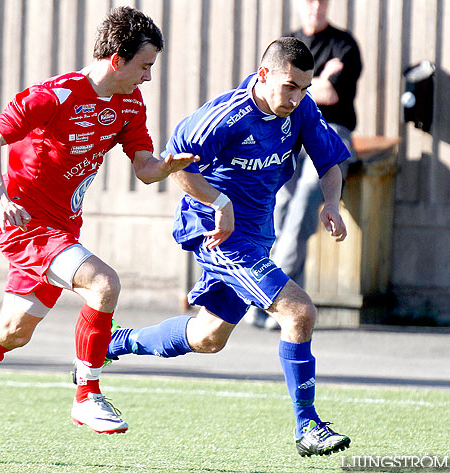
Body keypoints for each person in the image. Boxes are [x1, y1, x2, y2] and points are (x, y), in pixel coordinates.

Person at [0, 6, 197, 444]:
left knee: (11, 333)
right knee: (104, 284)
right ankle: (87, 394)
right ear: (117, 59)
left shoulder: (130, 103)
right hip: (24, 223)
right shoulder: (55, 95)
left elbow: (144, 168)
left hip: (62, 230)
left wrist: (168, 166)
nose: (149, 76)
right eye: (145, 66)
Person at [105, 37, 352, 457]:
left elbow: (329, 161)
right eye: (290, 86)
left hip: (255, 238)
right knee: (299, 311)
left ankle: (111, 344)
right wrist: (218, 202)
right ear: (264, 75)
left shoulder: (300, 109)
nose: (297, 97)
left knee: (207, 338)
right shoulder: (226, 116)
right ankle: (308, 427)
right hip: (218, 236)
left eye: (304, 88)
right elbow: (174, 163)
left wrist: (330, 202)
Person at [246, 0, 362, 329]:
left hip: (331, 134)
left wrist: (313, 87)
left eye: (322, 1)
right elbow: (301, 91)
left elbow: (330, 96)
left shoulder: (344, 44)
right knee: (278, 209)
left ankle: (273, 301)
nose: (316, 7)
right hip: (289, 133)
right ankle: (275, 300)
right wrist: (322, 78)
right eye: (309, 1)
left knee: (302, 209)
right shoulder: (287, 45)